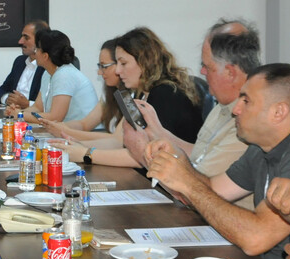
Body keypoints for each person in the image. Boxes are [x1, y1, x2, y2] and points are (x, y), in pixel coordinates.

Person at [147, 63, 290, 259]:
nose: (236, 110)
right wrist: (178, 163)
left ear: (278, 112)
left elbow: (256, 238)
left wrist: (188, 183)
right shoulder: (262, 145)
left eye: (246, 101)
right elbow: (214, 190)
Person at [134, 20, 260, 207]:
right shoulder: (222, 105)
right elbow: (200, 155)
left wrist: (141, 154)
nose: (202, 71)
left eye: (207, 66)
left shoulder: (249, 119)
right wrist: (159, 132)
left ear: (230, 73)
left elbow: (198, 193)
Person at [48, 26, 203, 167]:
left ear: (145, 61)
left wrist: (86, 154)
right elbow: (119, 142)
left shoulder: (165, 94)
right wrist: (78, 145)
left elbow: (144, 157)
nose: (118, 71)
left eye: (123, 64)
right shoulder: (142, 93)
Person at [9, 29, 97, 125]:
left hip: (87, 131)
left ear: (45, 56)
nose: (35, 53)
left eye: (37, 49)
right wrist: (16, 111)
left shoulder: (65, 75)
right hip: (66, 129)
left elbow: (55, 117)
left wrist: (20, 115)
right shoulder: (47, 73)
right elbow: (38, 108)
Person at [40, 38, 122, 138]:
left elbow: (116, 140)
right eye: (99, 66)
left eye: (105, 66)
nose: (99, 72)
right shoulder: (110, 92)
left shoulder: (132, 97)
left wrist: (65, 131)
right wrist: (60, 126)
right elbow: (84, 124)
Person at [0, 20, 48, 110]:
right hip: (14, 113)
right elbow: (1, 90)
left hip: (37, 116)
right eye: (21, 37)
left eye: (26, 38)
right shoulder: (20, 61)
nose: (20, 41)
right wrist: (8, 99)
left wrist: (28, 104)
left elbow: (52, 104)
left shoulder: (48, 66)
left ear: (40, 41)